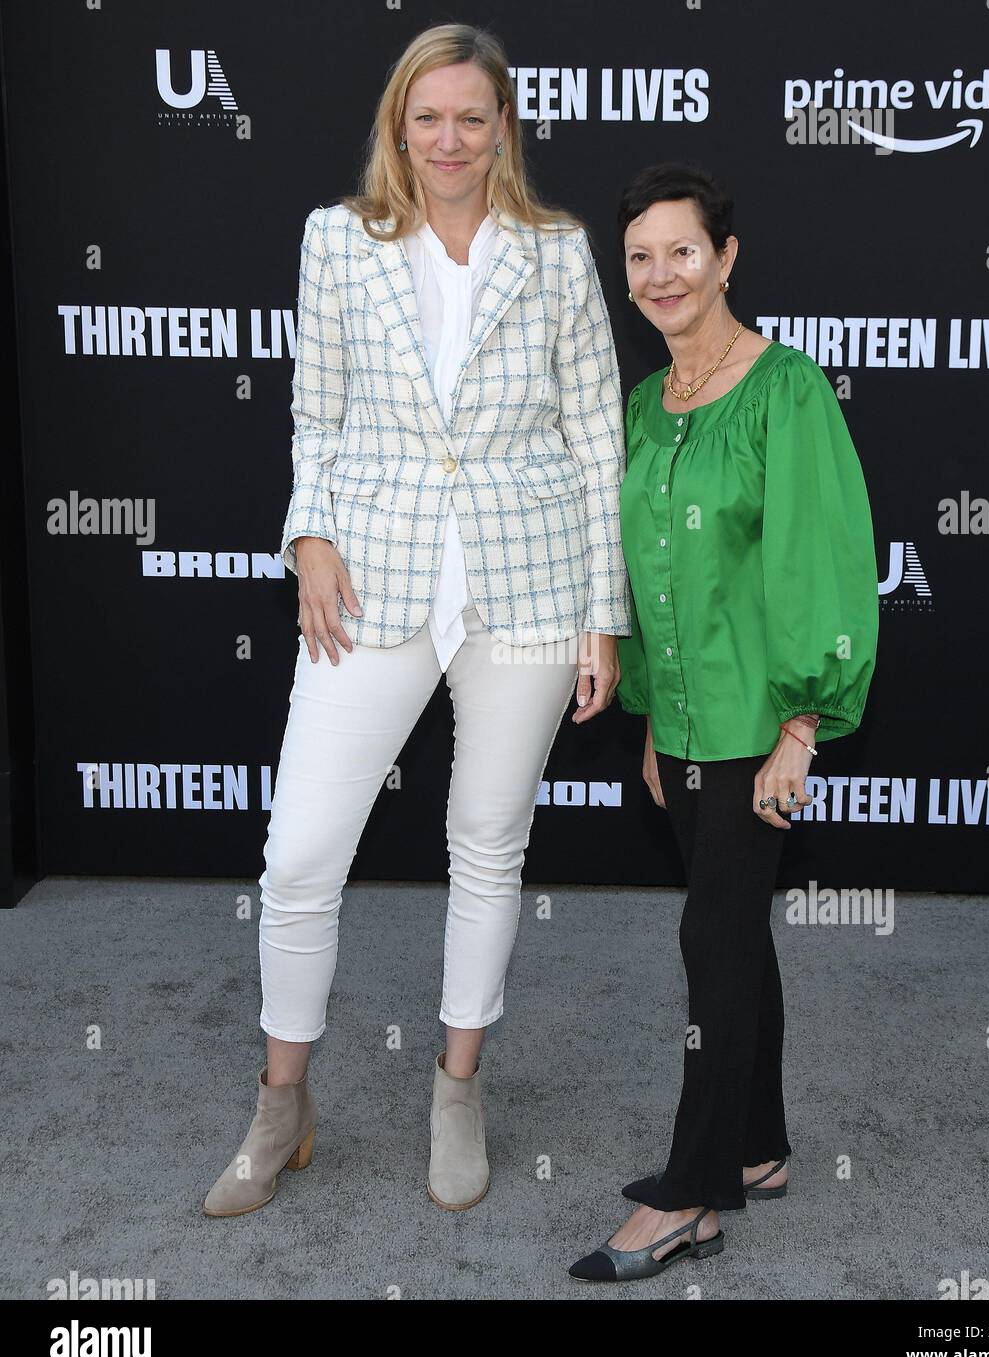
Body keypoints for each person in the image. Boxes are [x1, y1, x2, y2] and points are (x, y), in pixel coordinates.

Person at [203, 23, 630, 1219]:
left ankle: (457, 1087)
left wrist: (604, 617)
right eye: (426, 117)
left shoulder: (555, 251)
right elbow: (314, 413)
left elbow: (597, 438)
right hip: (372, 576)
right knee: (296, 858)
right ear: (399, 124)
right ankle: (282, 1102)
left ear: (503, 129)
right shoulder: (335, 241)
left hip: (530, 580)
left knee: (486, 843)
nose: (448, 140)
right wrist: (310, 536)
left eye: (471, 118)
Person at [568, 162, 879, 1282]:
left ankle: (693, 1191)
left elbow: (818, 565)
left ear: (725, 258)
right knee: (734, 935)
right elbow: (648, 582)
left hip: (761, 725)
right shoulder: (646, 407)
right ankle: (756, 1148)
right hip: (689, 725)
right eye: (640, 256)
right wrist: (651, 717)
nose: (660, 274)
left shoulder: (784, 390)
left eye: (681, 251)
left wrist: (802, 726)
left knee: (710, 940)